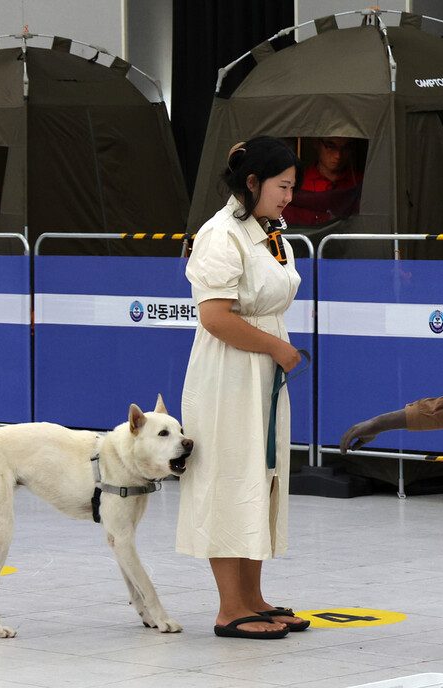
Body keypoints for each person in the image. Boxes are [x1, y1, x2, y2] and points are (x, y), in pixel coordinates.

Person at [175, 136, 310, 640]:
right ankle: (229, 608)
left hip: (262, 365)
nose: (289, 196)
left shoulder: (270, 230)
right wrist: (275, 348)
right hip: (230, 370)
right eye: (282, 186)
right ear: (251, 183)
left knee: (263, 471)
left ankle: (253, 598)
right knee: (229, 475)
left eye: (293, 187)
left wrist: (276, 348)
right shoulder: (220, 234)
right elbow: (214, 317)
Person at [283, 136, 364, 225]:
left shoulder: (362, 183)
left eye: (346, 147)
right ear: (316, 143)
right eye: (330, 146)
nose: (338, 155)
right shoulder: (297, 184)